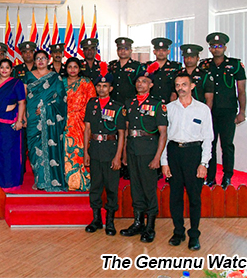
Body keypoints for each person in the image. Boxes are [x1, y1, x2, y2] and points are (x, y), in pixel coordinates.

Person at [161, 74, 214, 251]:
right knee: (175, 196)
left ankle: (194, 234)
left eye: (184, 84)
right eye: (177, 85)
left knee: (194, 197)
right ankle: (178, 232)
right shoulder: (169, 109)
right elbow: (164, 138)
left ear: (192, 86)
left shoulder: (202, 109)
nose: (180, 88)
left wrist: (204, 163)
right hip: (174, 153)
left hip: (193, 154)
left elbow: (208, 138)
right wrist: (164, 162)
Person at [120, 62, 168, 243]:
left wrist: (158, 158)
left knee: (149, 188)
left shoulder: (157, 105)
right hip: (133, 149)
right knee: (136, 187)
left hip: (149, 150)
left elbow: (163, 133)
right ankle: (138, 222)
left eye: (145, 81)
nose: (140, 84)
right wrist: (125, 153)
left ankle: (150, 226)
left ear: (151, 84)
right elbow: (126, 130)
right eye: (138, 81)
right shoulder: (129, 103)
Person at [199, 32, 246, 188]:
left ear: (225, 47)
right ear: (210, 49)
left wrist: (242, 112)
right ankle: (210, 177)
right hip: (209, 112)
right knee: (209, 144)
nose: (216, 49)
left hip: (228, 111)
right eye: (213, 46)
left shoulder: (235, 65)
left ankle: (227, 177)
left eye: (219, 46)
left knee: (227, 145)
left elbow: (241, 90)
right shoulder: (204, 65)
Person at [83, 64, 126, 236]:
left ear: (111, 88)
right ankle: (96, 220)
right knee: (95, 186)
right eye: (99, 86)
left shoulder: (117, 107)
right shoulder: (91, 104)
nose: (101, 89)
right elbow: (87, 129)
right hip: (95, 150)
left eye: (105, 86)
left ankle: (110, 221)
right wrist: (86, 152)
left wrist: (118, 157)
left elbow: (121, 134)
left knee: (111, 187)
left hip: (110, 151)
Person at [25, 50, 68, 191]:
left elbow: (61, 99)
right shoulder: (28, 76)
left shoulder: (55, 78)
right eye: (37, 58)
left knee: (49, 146)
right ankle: (39, 179)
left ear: (48, 60)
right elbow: (23, 98)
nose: (40, 61)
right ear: (34, 61)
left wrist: (45, 109)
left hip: (49, 118)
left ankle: (49, 181)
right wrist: (23, 116)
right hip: (32, 117)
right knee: (34, 148)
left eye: (43, 58)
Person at [0, 58, 26, 188]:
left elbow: (22, 102)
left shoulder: (16, 83)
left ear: (11, 70)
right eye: (2, 67)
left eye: (7, 67)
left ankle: (10, 182)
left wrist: (19, 121)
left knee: (10, 153)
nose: (4, 70)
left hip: (10, 123)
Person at [63, 57, 96, 192]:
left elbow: (92, 103)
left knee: (79, 151)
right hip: (63, 123)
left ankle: (80, 181)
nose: (72, 70)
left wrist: (82, 118)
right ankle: (66, 181)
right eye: (70, 67)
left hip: (81, 123)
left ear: (79, 68)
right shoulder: (60, 82)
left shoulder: (86, 83)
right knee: (65, 151)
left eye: (75, 67)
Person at [109, 37, 144, 104]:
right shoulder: (112, 66)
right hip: (113, 103)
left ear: (131, 50)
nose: (123, 51)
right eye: (120, 48)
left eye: (126, 49)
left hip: (130, 103)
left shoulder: (137, 66)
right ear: (117, 50)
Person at [147, 37, 182, 104]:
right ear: (154, 52)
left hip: (171, 101)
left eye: (164, 50)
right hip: (152, 101)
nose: (161, 53)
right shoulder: (148, 66)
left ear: (168, 52)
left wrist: (174, 92)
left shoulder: (176, 67)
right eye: (158, 50)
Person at [178, 44, 214, 109]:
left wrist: (206, 112)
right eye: (186, 57)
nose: (189, 59)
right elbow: (174, 96)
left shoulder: (205, 75)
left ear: (197, 58)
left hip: (199, 110)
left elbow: (209, 99)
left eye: (192, 57)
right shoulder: (177, 74)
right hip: (181, 109)